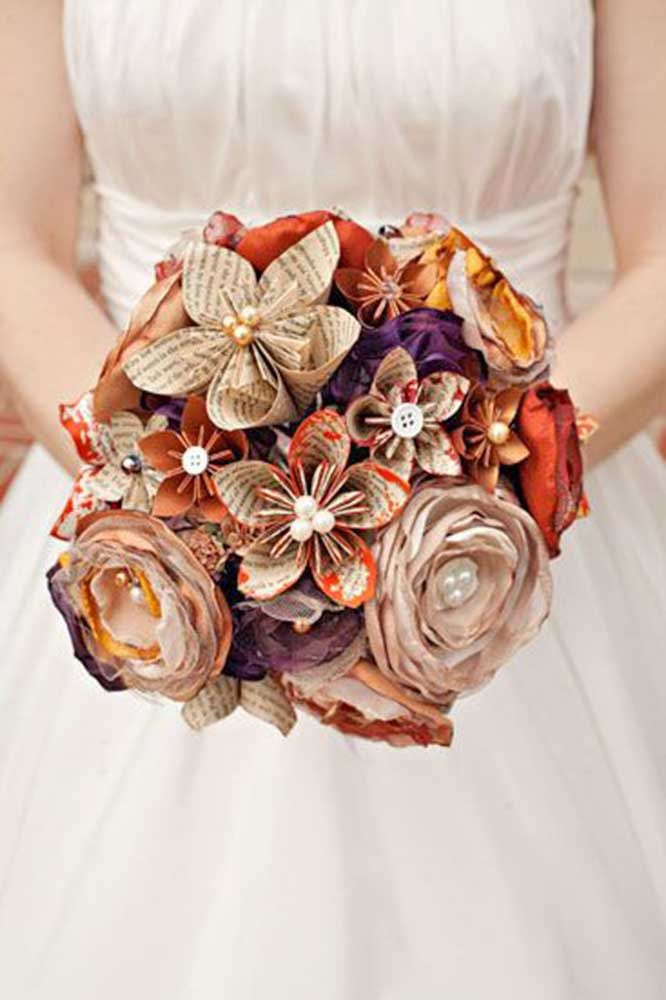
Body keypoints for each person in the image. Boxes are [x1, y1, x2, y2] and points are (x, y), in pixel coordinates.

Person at [0, 2, 664, 997]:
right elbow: (14, 244)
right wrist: (167, 501)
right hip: (154, 527)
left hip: (518, 533)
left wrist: (482, 479)